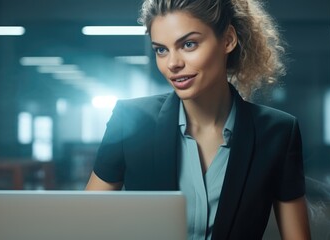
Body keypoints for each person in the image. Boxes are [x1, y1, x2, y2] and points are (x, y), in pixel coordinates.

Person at [86, 0, 311, 239]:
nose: (173, 63)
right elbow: (84, 225)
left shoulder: (278, 133)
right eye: (161, 49)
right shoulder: (130, 120)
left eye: (189, 44)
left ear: (228, 40)